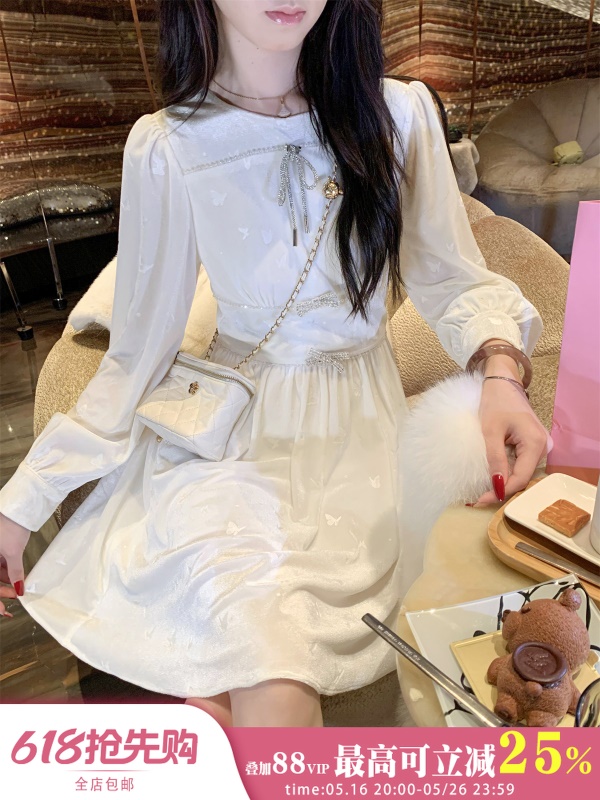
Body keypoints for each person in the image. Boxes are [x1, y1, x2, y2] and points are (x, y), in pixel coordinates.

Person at [0, 0, 549, 727]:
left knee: (246, 672)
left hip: (357, 437)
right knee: (248, 635)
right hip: (231, 439)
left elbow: (452, 278)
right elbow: (137, 355)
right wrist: (23, 498)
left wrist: (502, 371)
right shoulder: (167, 146)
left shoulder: (397, 114)